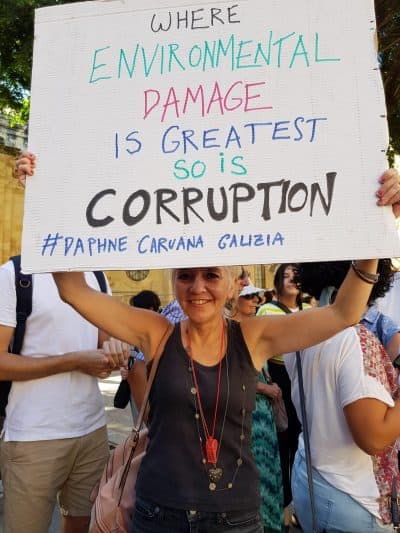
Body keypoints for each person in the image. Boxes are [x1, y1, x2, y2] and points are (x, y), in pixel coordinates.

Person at [16, 154, 400, 532]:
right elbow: (73, 290)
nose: (197, 287)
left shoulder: (253, 336)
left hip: (234, 519)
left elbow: (343, 313)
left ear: (232, 284)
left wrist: (374, 233)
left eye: (211, 275)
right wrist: (45, 200)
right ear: (173, 282)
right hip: (157, 515)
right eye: (185, 276)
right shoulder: (156, 332)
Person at [0, 259, 120, 533]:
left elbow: (105, 342)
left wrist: (115, 352)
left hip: (92, 431)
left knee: (86, 524)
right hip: (33, 436)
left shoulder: (97, 274)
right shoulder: (14, 275)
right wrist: (72, 361)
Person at [287, 260, 400, 532]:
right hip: (351, 495)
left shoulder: (295, 331)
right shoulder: (354, 339)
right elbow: (374, 438)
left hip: (308, 475)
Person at [257, 264, 309, 514]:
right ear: (278, 281)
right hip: (279, 377)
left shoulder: (309, 309)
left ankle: (300, 498)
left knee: (302, 437)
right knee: (283, 438)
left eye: (294, 275)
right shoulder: (267, 310)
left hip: (304, 378)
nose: (291, 279)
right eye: (285, 276)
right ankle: (285, 500)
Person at [236, 284, 284, 532]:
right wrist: (265, 388)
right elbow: (230, 374)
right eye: (249, 296)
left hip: (264, 413)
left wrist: (270, 384)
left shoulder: (254, 327)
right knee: (257, 472)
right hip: (247, 414)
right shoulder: (230, 331)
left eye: (257, 296)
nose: (255, 300)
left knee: (269, 468)